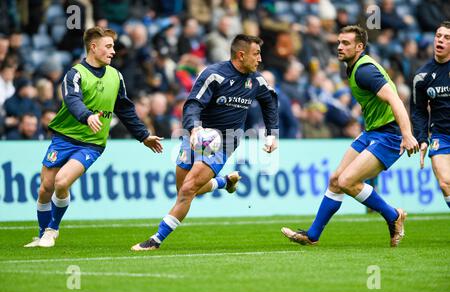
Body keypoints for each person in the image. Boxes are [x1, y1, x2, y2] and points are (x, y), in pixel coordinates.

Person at [132, 34, 279, 251]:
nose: (259, 59)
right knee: (183, 188)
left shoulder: (256, 81)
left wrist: (271, 134)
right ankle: (223, 182)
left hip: (227, 140)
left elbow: (270, 103)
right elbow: (192, 104)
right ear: (241, 55)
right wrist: (194, 129)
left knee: (189, 188)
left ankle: (156, 239)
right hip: (197, 136)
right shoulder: (214, 75)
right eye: (256, 54)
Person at [24, 27, 163, 248]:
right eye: (109, 47)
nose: (113, 52)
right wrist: (87, 116)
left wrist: (143, 135)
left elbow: (125, 109)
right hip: (64, 138)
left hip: (92, 143)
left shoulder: (116, 76)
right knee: (45, 188)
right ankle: (42, 235)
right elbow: (72, 100)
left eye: (113, 47)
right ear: (93, 47)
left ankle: (52, 230)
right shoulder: (75, 74)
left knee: (61, 182)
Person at [282, 25, 419, 247]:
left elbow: (395, 99)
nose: (339, 46)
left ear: (360, 47)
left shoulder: (365, 70)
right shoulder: (353, 67)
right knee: (336, 180)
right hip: (373, 131)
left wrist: (407, 134)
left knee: (347, 181)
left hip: (389, 135)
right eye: (338, 42)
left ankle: (393, 215)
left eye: (345, 43)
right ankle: (312, 235)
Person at [411, 21, 450, 209]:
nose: (441, 40)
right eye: (438, 36)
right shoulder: (422, 75)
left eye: (447, 38)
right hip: (441, 136)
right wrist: (422, 138)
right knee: (445, 183)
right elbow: (418, 111)